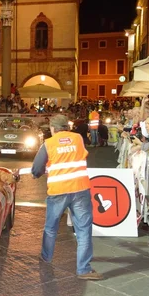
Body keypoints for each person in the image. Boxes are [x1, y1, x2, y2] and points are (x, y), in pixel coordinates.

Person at [31, 114, 102, 280]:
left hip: (58, 191)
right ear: (67, 127)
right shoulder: (78, 138)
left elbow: (37, 167)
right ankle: (83, 269)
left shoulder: (48, 143)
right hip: (80, 189)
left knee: (51, 227)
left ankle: (46, 257)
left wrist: (38, 174)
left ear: (53, 129)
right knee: (83, 229)